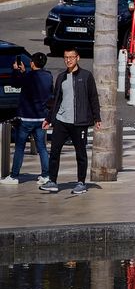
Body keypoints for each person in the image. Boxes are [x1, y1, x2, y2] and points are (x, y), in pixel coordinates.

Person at [39, 49, 101, 195]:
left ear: (77, 58)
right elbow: (56, 101)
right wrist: (49, 118)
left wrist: (97, 118)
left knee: (80, 154)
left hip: (79, 122)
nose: (68, 60)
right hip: (61, 121)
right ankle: (52, 181)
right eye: (66, 57)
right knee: (54, 152)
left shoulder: (86, 76)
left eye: (71, 57)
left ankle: (81, 183)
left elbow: (93, 98)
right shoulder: (61, 77)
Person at [1, 53, 52, 186]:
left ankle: (14, 176)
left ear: (32, 63)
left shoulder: (28, 76)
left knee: (20, 148)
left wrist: (15, 70)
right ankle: (46, 175)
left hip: (26, 118)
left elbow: (16, 83)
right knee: (42, 148)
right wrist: (23, 72)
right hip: (41, 117)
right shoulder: (48, 76)